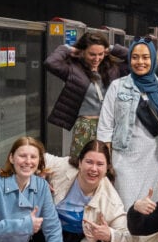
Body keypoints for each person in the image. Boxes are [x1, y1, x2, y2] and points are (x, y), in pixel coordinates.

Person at [43, 140, 133, 242]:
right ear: (79, 162)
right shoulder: (62, 168)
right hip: (51, 233)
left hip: (85, 239)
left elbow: (127, 239)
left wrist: (109, 235)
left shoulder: (111, 199)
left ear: (107, 169)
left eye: (100, 164)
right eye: (89, 162)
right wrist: (37, 179)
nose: (93, 169)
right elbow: (31, 155)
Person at [97, 38, 158, 209]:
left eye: (145, 57)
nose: (140, 62)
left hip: (156, 158)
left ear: (153, 59)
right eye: (135, 57)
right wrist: (107, 162)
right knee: (125, 207)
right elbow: (105, 127)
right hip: (124, 159)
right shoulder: (117, 87)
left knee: (152, 206)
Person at [45, 30, 128, 159]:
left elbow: (133, 58)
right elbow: (51, 63)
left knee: (110, 164)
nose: (97, 58)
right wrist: (67, 49)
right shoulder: (73, 70)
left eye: (101, 54)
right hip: (85, 126)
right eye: (92, 54)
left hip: (110, 125)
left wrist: (112, 48)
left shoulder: (113, 69)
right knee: (81, 163)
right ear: (82, 52)